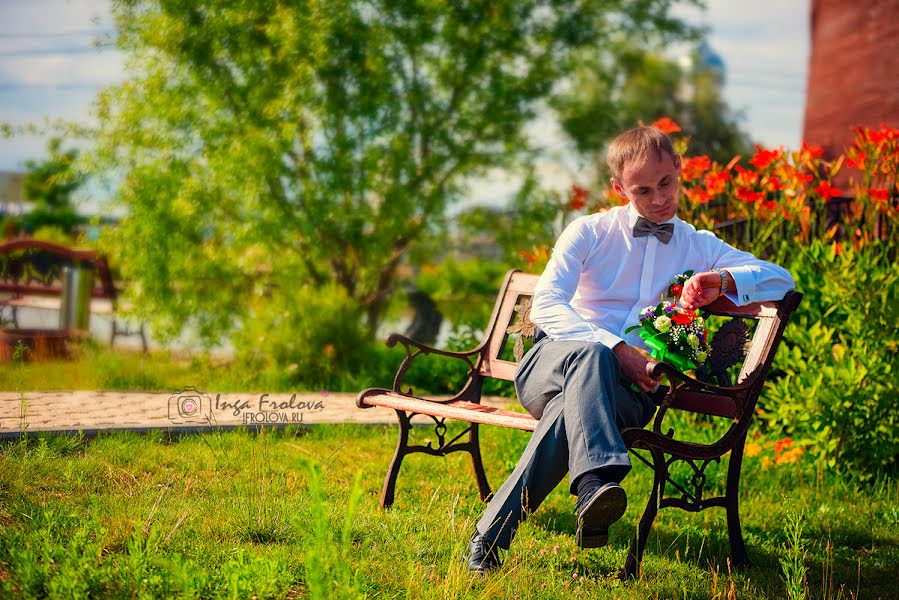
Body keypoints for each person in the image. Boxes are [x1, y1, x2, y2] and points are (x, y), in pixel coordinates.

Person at [466, 126, 795, 573]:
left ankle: (498, 533)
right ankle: (598, 478)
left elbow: (782, 279)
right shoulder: (588, 232)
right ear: (619, 189)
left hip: (629, 393)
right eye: (643, 190)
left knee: (571, 412)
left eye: (666, 183)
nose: (660, 199)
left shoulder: (698, 245)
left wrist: (724, 279)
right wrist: (616, 347)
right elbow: (545, 305)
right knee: (592, 354)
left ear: (679, 170)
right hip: (553, 366)